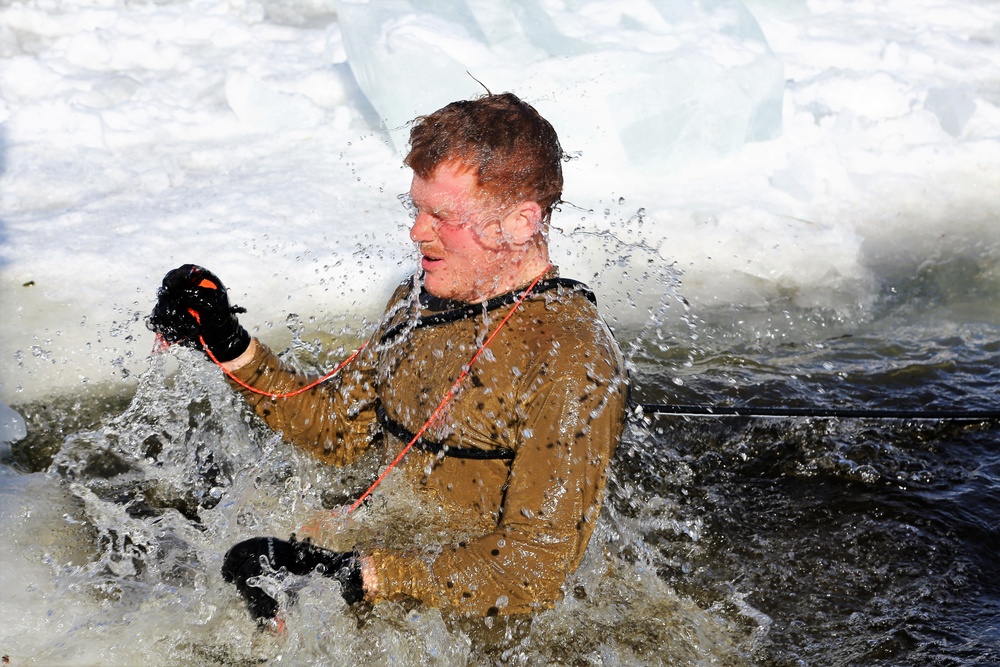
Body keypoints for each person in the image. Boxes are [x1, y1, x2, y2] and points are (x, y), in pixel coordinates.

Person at [147, 93, 628, 622]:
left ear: (518, 223)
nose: (417, 231)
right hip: (408, 571)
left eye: (442, 216)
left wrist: (360, 574)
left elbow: (534, 571)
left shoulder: (571, 359)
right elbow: (337, 430)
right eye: (415, 208)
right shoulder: (417, 302)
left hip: (494, 629)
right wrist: (227, 340)